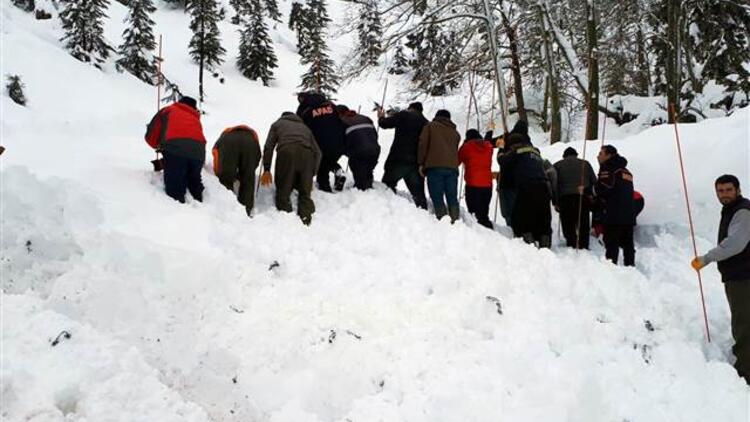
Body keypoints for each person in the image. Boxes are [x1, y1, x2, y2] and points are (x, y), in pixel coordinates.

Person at [692, 175, 750, 383]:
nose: (724, 194)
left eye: (728, 190)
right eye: (720, 191)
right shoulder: (733, 209)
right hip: (739, 275)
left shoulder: (742, 211)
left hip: (744, 277)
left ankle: (746, 371)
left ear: (738, 189)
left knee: (744, 323)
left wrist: (706, 258)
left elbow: (735, 243)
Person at [260, 112, 322, 225]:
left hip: (287, 153)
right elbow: (318, 153)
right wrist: (312, 173)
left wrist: (267, 169)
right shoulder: (305, 128)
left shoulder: (277, 124)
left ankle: (286, 219)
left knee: (283, 189)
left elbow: (268, 147)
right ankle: (306, 218)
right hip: (307, 156)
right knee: (305, 192)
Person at [144, 96, 206, 203]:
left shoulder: (168, 110)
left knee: (175, 184)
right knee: (194, 180)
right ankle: (201, 203)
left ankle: (177, 211)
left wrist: (157, 146)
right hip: (199, 152)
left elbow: (151, 135)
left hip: (175, 150)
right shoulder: (195, 118)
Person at [498, 130, 552, 247]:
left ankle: (527, 240)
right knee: (543, 217)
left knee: (521, 214)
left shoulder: (518, 151)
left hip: (527, 186)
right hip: (543, 187)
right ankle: (545, 241)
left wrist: (501, 148)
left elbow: (502, 161)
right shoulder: (535, 152)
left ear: (513, 144)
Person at [378, 102, 429, 209]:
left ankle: (386, 209)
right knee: (418, 194)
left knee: (387, 185)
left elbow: (385, 124)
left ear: (410, 108)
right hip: (416, 162)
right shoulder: (426, 123)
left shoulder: (403, 115)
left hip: (398, 158)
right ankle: (424, 214)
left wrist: (381, 117)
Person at [594, 145, 635, 266]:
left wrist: (588, 190)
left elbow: (603, 188)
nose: (598, 156)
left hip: (614, 214)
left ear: (609, 155)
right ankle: (631, 269)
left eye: (601, 153)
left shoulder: (608, 168)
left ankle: (612, 273)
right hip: (629, 215)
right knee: (628, 245)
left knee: (612, 245)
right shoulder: (626, 171)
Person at [296, 92, 346, 192]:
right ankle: (338, 170)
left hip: (320, 141)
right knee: (328, 161)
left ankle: (324, 189)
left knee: (321, 164)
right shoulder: (331, 106)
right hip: (339, 140)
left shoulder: (306, 110)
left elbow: (299, 124)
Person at [418, 110, 461, 222]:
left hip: (435, 166)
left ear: (437, 116)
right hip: (452, 169)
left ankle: (442, 220)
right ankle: (455, 221)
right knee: (452, 197)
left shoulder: (430, 126)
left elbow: (423, 144)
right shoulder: (455, 133)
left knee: (437, 196)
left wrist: (421, 163)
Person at [212, 125, 261, 216]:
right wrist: (247, 172)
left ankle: (227, 209)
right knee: (248, 179)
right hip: (251, 142)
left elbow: (216, 154)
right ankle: (246, 210)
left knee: (226, 177)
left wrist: (219, 172)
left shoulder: (225, 136)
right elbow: (257, 158)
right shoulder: (253, 136)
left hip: (228, 141)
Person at [553, 147, 597, 248]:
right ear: (576, 155)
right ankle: (584, 244)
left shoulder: (557, 165)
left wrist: (555, 201)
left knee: (567, 221)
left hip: (565, 197)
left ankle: (571, 242)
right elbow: (594, 181)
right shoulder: (585, 164)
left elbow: (554, 184)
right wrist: (591, 195)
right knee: (583, 221)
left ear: (564, 156)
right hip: (582, 197)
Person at [336, 105, 380, 190]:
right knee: (368, 170)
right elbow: (374, 134)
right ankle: (369, 186)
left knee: (359, 174)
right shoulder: (365, 118)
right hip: (375, 150)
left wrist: (346, 151)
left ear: (340, 114)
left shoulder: (342, 121)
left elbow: (341, 140)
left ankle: (361, 193)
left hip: (359, 152)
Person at [458, 129, 494, 229]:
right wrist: (489, 133)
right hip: (487, 186)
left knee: (473, 215)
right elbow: (488, 141)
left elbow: (457, 160)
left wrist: (464, 144)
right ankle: (490, 233)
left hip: (472, 185)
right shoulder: (489, 147)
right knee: (483, 214)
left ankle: (476, 236)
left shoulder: (466, 147)